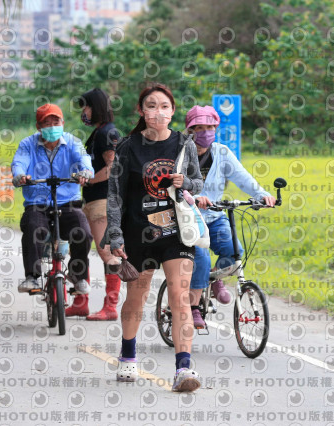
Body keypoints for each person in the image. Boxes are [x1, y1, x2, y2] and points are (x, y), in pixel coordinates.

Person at [102, 83, 203, 392]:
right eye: (151, 106)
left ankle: (183, 369)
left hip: (176, 232)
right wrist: (115, 235)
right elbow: (115, 195)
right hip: (138, 232)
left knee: (179, 296)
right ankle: (128, 355)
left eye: (164, 106)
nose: (158, 112)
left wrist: (185, 182)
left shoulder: (184, 144)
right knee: (137, 296)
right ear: (141, 111)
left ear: (173, 111)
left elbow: (198, 183)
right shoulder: (128, 147)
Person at [184, 105, 275, 328]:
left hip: (214, 215)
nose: (205, 132)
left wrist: (262, 195)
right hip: (188, 217)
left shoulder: (221, 152)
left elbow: (242, 177)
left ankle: (215, 278)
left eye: (210, 127)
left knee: (235, 251)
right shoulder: (181, 152)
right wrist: (193, 198)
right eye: (199, 128)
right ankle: (193, 307)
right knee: (202, 259)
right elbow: (173, 184)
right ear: (190, 130)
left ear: (215, 129)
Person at [11, 103, 94, 294]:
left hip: (68, 203)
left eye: (55, 122)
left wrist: (85, 172)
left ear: (63, 123)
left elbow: (84, 159)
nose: (52, 127)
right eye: (46, 123)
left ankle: (77, 275)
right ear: (38, 127)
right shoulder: (27, 144)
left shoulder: (73, 142)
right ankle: (32, 277)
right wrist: (20, 175)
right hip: (37, 204)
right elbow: (19, 163)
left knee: (83, 232)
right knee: (32, 227)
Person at [65, 88, 122, 320]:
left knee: (106, 251)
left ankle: (110, 307)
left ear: (95, 107)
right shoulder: (99, 132)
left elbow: (112, 168)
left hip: (102, 200)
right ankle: (81, 302)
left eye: (86, 107)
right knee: (79, 248)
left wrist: (89, 180)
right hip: (90, 200)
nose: (84, 112)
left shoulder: (108, 132)